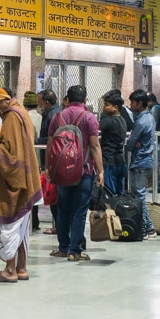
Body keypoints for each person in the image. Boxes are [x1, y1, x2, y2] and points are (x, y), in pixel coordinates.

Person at [0, 85, 43, 282]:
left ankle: (9, 270)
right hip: (28, 177)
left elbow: (10, 153)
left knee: (10, 226)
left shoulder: (10, 118)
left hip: (16, 181)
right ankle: (22, 268)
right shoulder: (22, 112)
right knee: (22, 229)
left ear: (3, 100)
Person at [48, 85, 103, 261]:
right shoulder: (89, 117)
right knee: (80, 211)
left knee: (63, 209)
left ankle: (63, 247)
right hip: (84, 170)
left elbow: (50, 146)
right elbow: (94, 145)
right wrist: (101, 171)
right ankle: (74, 251)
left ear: (67, 99)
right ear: (85, 99)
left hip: (61, 171)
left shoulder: (57, 117)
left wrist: (48, 168)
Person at [126, 89, 160, 228]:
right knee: (139, 194)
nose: (131, 105)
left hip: (140, 160)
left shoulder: (141, 121)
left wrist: (133, 145)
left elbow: (130, 143)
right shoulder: (149, 117)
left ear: (140, 103)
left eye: (132, 102)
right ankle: (144, 225)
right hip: (145, 159)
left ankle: (148, 226)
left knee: (139, 195)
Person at [98, 91, 131, 196]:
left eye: (107, 105)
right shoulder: (122, 120)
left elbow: (94, 126)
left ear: (115, 107)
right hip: (120, 161)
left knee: (109, 195)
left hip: (109, 162)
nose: (104, 107)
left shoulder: (109, 121)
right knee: (119, 195)